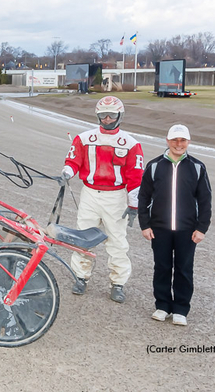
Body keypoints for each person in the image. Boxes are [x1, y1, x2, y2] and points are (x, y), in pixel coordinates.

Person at [59, 95, 144, 303]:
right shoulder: (84, 138)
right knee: (82, 237)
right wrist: (67, 173)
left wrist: (134, 204)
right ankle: (80, 277)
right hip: (89, 194)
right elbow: (73, 161)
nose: (107, 119)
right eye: (102, 115)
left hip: (115, 196)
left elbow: (136, 176)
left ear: (120, 116)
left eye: (111, 115)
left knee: (117, 241)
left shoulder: (132, 144)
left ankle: (118, 283)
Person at [138, 124, 212, 326]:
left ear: (188, 142)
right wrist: (145, 225)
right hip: (159, 228)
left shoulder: (197, 167)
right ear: (167, 141)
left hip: (187, 230)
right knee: (162, 267)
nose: (179, 144)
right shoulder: (154, 166)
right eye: (175, 140)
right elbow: (143, 197)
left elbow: (205, 200)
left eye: (183, 140)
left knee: (184, 269)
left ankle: (180, 309)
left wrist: (201, 228)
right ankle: (162, 306)